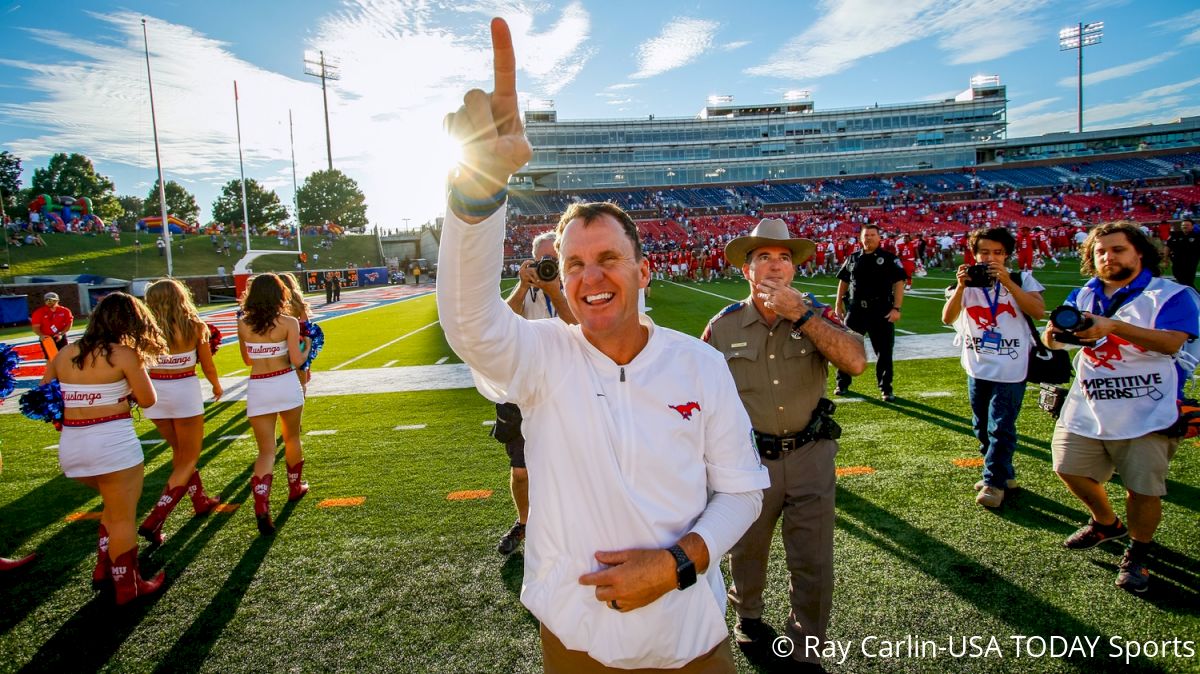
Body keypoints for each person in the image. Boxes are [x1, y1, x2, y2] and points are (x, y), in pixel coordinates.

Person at [439, 19, 768, 670]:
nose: (591, 276)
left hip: (690, 636)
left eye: (609, 258)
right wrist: (478, 193)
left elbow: (741, 492)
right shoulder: (540, 357)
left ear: (642, 272)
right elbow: (468, 324)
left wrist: (677, 563)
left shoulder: (698, 363)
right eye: (574, 264)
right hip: (577, 633)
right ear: (561, 277)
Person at [703, 218, 866, 671]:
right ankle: (749, 614)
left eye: (784, 258)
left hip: (811, 454)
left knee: (813, 558)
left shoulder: (816, 313)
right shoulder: (722, 326)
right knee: (747, 550)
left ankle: (808, 639)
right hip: (749, 461)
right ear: (747, 271)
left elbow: (855, 362)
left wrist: (804, 316)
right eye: (764, 257)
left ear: (793, 271)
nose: (775, 266)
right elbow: (701, 394)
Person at [1044, 221, 1199, 593]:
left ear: (1139, 252)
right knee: (1067, 467)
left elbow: (1171, 343)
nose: (1107, 257)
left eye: (1117, 250)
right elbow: (1053, 341)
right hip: (1089, 402)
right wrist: (1053, 335)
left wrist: (1112, 326)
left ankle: (1139, 552)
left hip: (1147, 405)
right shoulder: (1082, 294)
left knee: (1142, 488)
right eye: (1100, 252)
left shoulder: (1170, 294)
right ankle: (1106, 523)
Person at [41, 292, 169, 604]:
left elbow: (44, 395)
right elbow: (149, 399)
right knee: (123, 517)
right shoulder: (125, 355)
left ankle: (104, 568)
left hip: (72, 446)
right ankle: (130, 586)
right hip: (112, 443)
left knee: (113, 508)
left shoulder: (65, 353)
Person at [942, 228, 1045, 508]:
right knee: (981, 426)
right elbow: (947, 317)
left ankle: (993, 482)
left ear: (1007, 255)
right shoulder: (968, 282)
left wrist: (1008, 283)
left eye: (997, 253)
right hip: (977, 365)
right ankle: (1004, 473)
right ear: (974, 255)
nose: (990, 258)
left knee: (1001, 424)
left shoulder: (1022, 278)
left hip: (1012, 365)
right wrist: (962, 287)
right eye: (984, 252)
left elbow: (1038, 310)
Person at [495, 231, 577, 557]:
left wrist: (554, 291)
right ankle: (524, 521)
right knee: (521, 468)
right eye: (541, 261)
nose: (548, 266)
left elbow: (579, 325)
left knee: (573, 464)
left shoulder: (572, 286)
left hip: (568, 386)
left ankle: (570, 525)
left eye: (553, 260)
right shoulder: (525, 290)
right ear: (529, 262)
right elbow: (503, 323)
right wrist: (523, 286)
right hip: (526, 388)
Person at [136, 279, 224, 545]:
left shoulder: (142, 329)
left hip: (155, 394)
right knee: (189, 456)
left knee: (180, 453)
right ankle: (157, 517)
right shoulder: (196, 326)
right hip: (184, 391)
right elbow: (207, 365)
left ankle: (200, 500)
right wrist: (216, 385)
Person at [238, 274, 310, 535]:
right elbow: (297, 360)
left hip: (259, 386)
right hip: (284, 383)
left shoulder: (244, 324)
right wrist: (308, 345)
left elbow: (247, 360)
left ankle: (261, 500)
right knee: (291, 438)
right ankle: (295, 487)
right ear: (280, 295)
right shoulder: (288, 322)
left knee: (265, 451)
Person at [834, 224, 907, 401]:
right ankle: (842, 383)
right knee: (847, 348)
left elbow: (899, 283)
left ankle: (886, 389)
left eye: (873, 235)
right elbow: (843, 281)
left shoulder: (889, 258)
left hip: (880, 311)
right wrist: (838, 304)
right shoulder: (852, 258)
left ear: (879, 238)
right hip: (856, 310)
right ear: (861, 238)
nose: (869, 238)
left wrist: (896, 308)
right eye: (866, 236)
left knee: (884, 351)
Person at [279, 273, 315, 393]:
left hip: (280, 338)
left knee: (282, 371)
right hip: (297, 338)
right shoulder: (297, 299)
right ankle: (300, 400)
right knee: (301, 375)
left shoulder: (275, 300)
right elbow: (305, 322)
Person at [31, 292, 74, 359]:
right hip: (47, 338)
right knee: (51, 358)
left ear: (57, 300)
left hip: (60, 336)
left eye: (52, 300)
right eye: (47, 300)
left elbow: (69, 324)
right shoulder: (39, 312)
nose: (49, 302)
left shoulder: (65, 311)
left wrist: (61, 333)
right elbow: (35, 327)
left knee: (64, 357)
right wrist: (41, 335)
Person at [1165, 219, 1198, 289]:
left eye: (1187, 225)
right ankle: (1193, 295)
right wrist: (1165, 259)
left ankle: (1194, 295)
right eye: (1183, 225)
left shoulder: (1197, 236)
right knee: (1180, 279)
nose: (1185, 227)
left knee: (1187, 281)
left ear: (1192, 227)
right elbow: (1168, 247)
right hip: (1177, 262)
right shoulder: (1175, 235)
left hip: (1191, 262)